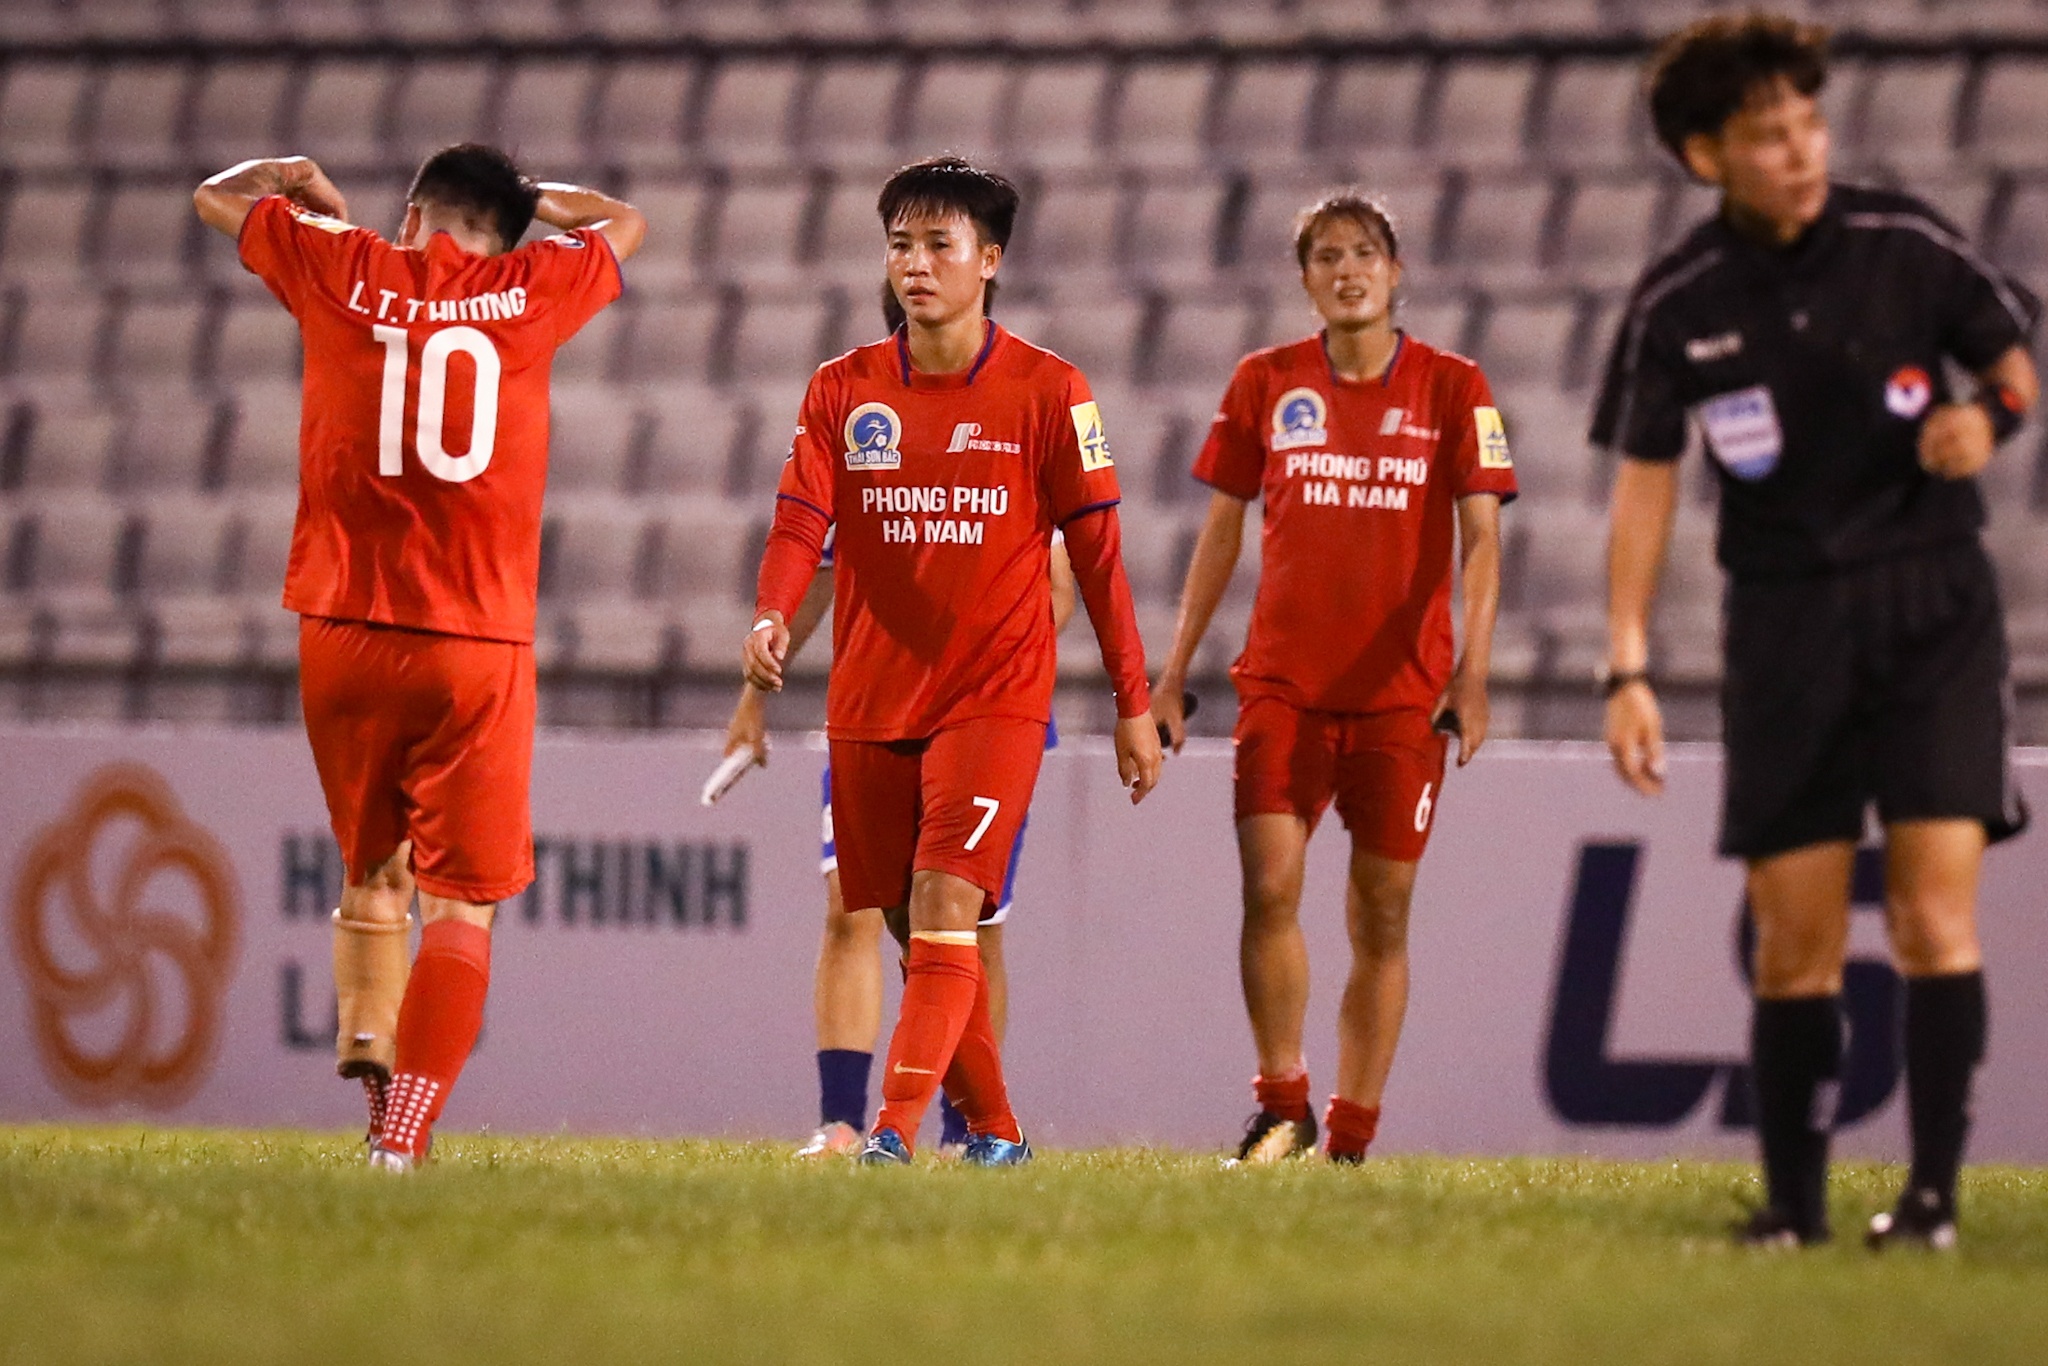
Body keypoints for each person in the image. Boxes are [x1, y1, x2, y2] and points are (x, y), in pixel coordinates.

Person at [1594, 14, 2037, 1249]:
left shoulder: (1904, 241)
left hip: (1931, 607)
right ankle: (1792, 1212)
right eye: (1764, 135)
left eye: (1806, 125)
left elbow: (2011, 362)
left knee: (1929, 913)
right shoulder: (1679, 301)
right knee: (1791, 939)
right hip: (1783, 626)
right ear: (1703, 158)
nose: (1797, 152)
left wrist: (1986, 423)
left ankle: (1933, 1202)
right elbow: (1644, 482)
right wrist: (1624, 660)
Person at [193, 144, 645, 1169]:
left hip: (340, 628)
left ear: (410, 216)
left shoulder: (343, 263)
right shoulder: (530, 283)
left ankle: (366, 1037)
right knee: (463, 900)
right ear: (505, 229)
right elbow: (622, 224)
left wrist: (292, 178)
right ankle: (401, 1138)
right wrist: (543, 201)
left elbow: (214, 198)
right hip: (472, 639)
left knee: (371, 866)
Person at [743, 154, 1161, 1167]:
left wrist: (1132, 699)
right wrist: (768, 613)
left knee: (944, 904)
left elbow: (1099, 558)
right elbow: (803, 518)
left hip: (993, 698)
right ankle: (999, 1131)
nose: (916, 264)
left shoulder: (1050, 390)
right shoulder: (842, 389)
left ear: (990, 260)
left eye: (938, 245)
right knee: (899, 917)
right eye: (900, 245)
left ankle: (889, 1131)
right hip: (871, 698)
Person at [1151, 192, 1515, 1164]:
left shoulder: (1454, 386)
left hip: (1402, 696)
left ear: (1394, 273)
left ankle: (1350, 1133)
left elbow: (1481, 541)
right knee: (1267, 887)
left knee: (1380, 913)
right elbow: (1220, 530)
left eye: (1362, 252)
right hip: (1282, 685)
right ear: (1304, 279)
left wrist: (1472, 674)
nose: (1345, 268)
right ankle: (1281, 1100)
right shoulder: (1264, 380)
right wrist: (1171, 671)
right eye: (1324, 255)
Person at [722, 535, 1075, 1158]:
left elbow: (1060, 585)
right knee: (851, 905)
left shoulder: (1016, 440)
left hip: (986, 717)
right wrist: (755, 693)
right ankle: (840, 1121)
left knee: (973, 925)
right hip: (878, 705)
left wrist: (983, 656)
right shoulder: (866, 440)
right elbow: (827, 567)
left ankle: (963, 1130)